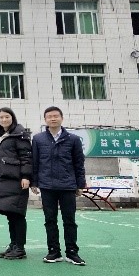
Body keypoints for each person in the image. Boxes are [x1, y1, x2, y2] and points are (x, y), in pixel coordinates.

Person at [31, 106, 87, 265]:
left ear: (62, 118)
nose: (53, 119)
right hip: (47, 186)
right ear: (45, 120)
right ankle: (53, 251)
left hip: (67, 185)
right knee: (50, 220)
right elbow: (35, 162)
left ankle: (72, 252)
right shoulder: (38, 139)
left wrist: (80, 184)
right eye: (49, 116)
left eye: (56, 116)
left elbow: (79, 163)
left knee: (69, 220)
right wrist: (34, 182)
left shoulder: (73, 139)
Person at [0, 107, 32, 260]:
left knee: (18, 214)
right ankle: (14, 244)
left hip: (17, 180)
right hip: (3, 180)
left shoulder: (20, 134)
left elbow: (26, 157)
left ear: (12, 118)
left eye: (7, 117)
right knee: (10, 214)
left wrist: (26, 176)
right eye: (1, 117)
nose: (4, 120)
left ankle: (20, 248)